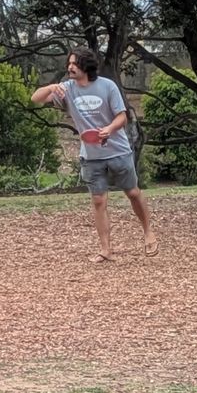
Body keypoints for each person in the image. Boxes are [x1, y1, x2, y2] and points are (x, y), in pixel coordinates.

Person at [31, 48, 157, 262]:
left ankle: (148, 232)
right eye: (69, 63)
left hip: (118, 151)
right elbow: (35, 98)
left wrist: (109, 129)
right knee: (99, 201)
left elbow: (122, 117)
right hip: (90, 156)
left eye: (75, 63)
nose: (70, 67)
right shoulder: (67, 90)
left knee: (133, 193)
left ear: (86, 66)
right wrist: (52, 86)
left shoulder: (108, 86)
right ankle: (105, 250)